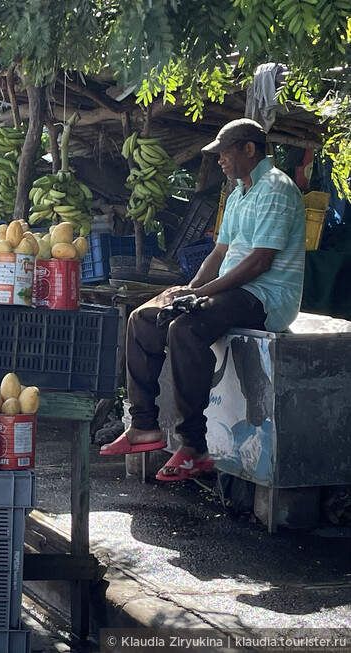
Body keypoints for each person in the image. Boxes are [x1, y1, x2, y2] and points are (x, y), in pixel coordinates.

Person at [100, 118, 306, 481]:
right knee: (144, 319)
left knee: (186, 328)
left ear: (249, 148)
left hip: (267, 297)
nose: (220, 160)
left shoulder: (276, 188)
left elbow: (260, 262)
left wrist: (200, 296)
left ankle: (194, 447)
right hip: (231, 290)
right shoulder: (238, 192)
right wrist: (187, 290)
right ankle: (143, 427)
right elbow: (219, 252)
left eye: (225, 152)